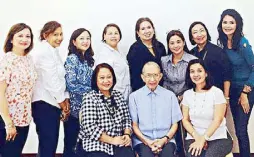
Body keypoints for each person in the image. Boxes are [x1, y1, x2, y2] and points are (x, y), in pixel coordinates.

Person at [217, 9, 254, 157]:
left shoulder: (243, 44)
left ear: (237, 24)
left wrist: (245, 92)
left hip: (246, 89)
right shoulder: (224, 42)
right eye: (225, 22)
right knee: (238, 129)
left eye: (231, 22)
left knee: (241, 129)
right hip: (232, 90)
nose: (227, 25)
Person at [78, 63, 135, 157]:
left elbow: (127, 119)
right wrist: (112, 140)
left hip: (119, 142)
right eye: (102, 78)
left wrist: (127, 134)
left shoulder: (119, 96)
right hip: (96, 144)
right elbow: (89, 127)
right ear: (95, 80)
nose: (106, 81)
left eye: (109, 77)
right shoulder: (90, 97)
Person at [31, 21, 70, 157]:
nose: (59, 38)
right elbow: (51, 80)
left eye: (61, 34)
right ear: (45, 35)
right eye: (55, 34)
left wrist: (63, 99)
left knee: (49, 145)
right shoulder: (44, 51)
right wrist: (62, 102)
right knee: (47, 145)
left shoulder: (52, 50)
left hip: (51, 103)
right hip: (44, 104)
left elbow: (60, 78)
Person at [129, 61, 183, 157]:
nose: (152, 79)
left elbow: (175, 124)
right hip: (142, 141)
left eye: (155, 75)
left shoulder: (170, 95)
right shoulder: (134, 97)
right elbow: (134, 125)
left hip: (166, 140)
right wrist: (148, 142)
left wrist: (164, 140)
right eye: (148, 75)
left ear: (160, 76)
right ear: (142, 77)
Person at [182, 59, 232, 157]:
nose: (196, 74)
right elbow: (185, 120)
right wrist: (198, 138)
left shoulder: (216, 92)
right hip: (194, 136)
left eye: (199, 71)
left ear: (206, 73)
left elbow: (218, 119)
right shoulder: (187, 94)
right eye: (192, 71)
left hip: (218, 136)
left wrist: (204, 138)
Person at [0, 23, 37, 157]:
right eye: (20, 35)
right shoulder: (7, 60)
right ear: (11, 39)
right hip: (7, 119)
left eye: (28, 36)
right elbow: (0, 93)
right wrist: (8, 124)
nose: (24, 39)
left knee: (16, 153)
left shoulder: (29, 59)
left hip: (24, 118)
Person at [161, 30, 196, 156]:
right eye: (172, 43)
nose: (176, 45)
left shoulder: (192, 60)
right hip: (168, 100)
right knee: (170, 129)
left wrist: (183, 97)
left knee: (185, 129)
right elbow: (163, 81)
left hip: (187, 100)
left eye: (178, 42)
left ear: (184, 42)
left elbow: (195, 82)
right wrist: (169, 97)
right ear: (168, 45)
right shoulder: (164, 61)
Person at [63, 28, 94, 157]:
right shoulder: (72, 59)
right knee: (71, 144)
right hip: (74, 110)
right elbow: (71, 85)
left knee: (84, 145)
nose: (85, 41)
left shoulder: (88, 60)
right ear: (74, 42)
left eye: (88, 38)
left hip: (87, 109)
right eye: (82, 38)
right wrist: (93, 92)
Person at [188, 21, 231, 100]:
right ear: (192, 37)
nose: (199, 34)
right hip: (197, 95)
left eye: (202, 30)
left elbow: (227, 76)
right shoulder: (191, 53)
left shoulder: (218, 51)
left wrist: (226, 97)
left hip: (216, 95)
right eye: (195, 32)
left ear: (206, 32)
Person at [127, 17, 166, 92]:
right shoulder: (134, 49)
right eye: (143, 29)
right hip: (142, 90)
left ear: (153, 30)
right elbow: (134, 76)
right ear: (138, 33)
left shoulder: (160, 46)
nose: (147, 31)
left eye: (149, 27)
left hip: (160, 88)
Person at [95, 23, 131, 100]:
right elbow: (102, 80)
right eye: (110, 34)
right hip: (112, 95)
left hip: (125, 93)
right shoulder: (104, 55)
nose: (113, 36)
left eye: (116, 33)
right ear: (104, 36)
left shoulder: (120, 51)